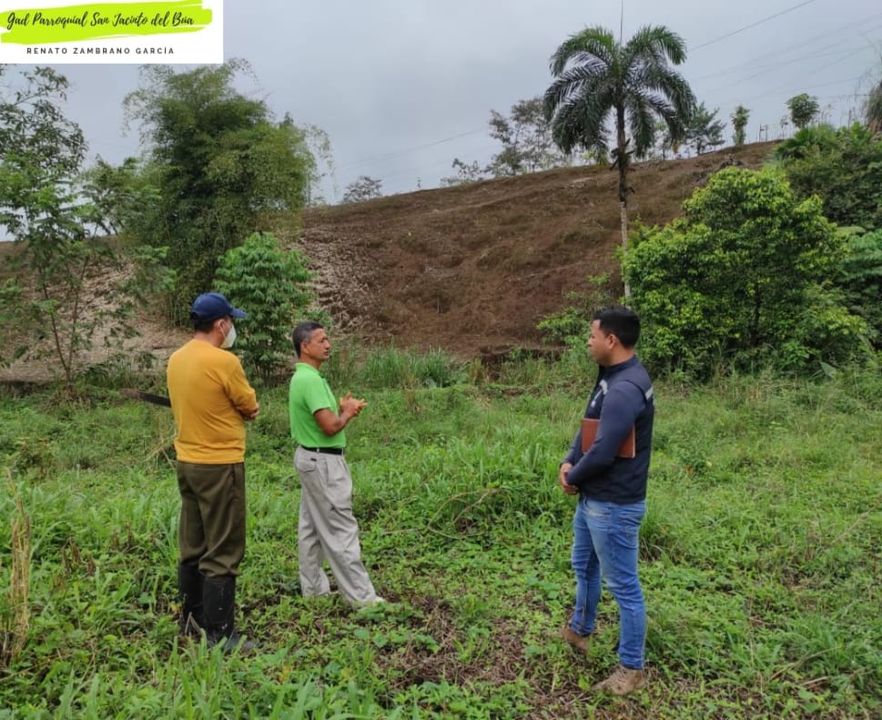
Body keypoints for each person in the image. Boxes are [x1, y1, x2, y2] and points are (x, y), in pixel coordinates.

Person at [558, 306, 655, 696]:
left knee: (624, 586)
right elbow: (589, 428)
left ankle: (632, 668)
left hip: (613, 504)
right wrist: (568, 460)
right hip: (594, 499)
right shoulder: (610, 377)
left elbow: (602, 451)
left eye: (592, 335)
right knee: (584, 566)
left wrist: (573, 477)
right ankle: (579, 630)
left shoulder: (625, 388)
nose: (588, 341)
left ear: (611, 340)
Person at [166, 292, 260, 650]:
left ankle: (191, 622)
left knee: (193, 544)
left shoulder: (176, 359)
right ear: (221, 324)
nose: (231, 327)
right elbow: (249, 406)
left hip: (187, 463)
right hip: (220, 465)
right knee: (223, 547)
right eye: (230, 321)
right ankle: (220, 634)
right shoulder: (225, 362)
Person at [288, 321, 382, 606]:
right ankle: (363, 600)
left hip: (310, 458)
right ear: (305, 346)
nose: (328, 345)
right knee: (341, 528)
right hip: (324, 463)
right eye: (322, 340)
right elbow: (330, 427)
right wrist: (348, 413)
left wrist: (341, 410)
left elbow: (323, 420)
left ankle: (314, 591)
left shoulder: (303, 377)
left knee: (311, 527)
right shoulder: (311, 381)